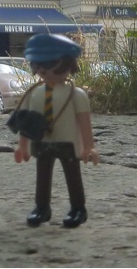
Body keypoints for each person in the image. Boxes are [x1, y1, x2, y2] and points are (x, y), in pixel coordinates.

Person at [13, 33, 99, 228]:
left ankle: (78, 208)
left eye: (50, 64)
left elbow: (84, 122)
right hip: (42, 142)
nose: (43, 69)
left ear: (67, 64)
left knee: (73, 175)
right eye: (39, 64)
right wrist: (22, 146)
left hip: (68, 143)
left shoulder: (76, 94)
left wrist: (89, 147)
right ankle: (41, 207)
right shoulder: (33, 94)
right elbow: (27, 122)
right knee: (42, 175)